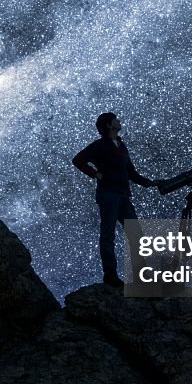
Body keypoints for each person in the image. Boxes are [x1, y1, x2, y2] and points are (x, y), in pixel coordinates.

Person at [72, 112, 158, 287]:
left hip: (123, 195)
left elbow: (130, 172)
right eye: (115, 119)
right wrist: (95, 173)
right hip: (108, 195)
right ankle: (110, 276)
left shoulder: (121, 145)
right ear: (109, 125)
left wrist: (147, 182)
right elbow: (78, 160)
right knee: (108, 235)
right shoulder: (99, 145)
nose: (119, 121)